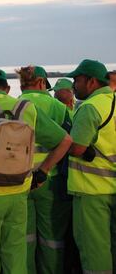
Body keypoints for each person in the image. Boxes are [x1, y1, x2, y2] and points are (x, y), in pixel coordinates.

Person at [0, 67, 72, 274]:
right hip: (19, 192)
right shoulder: (27, 109)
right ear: (8, 88)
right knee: (16, 257)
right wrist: (42, 171)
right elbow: (65, 140)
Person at [16, 66, 74, 274]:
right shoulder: (57, 106)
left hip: (20, 182)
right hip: (50, 181)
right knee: (52, 239)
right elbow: (71, 142)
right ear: (41, 82)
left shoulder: (16, 107)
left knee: (25, 239)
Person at [66, 59, 116, 273]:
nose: (73, 86)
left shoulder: (90, 107)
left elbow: (76, 148)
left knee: (94, 250)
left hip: (91, 191)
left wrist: (60, 138)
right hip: (112, 187)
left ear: (91, 81)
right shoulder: (112, 101)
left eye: (77, 80)